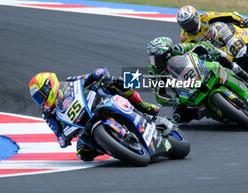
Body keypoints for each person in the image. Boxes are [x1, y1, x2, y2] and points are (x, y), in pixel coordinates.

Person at [28, 67, 160, 161]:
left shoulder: (70, 81)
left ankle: (143, 106)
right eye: (37, 99)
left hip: (98, 103)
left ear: (48, 86)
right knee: (83, 154)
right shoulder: (47, 114)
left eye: (41, 96)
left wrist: (98, 76)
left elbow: (93, 75)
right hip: (83, 128)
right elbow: (59, 137)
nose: (42, 101)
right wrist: (64, 137)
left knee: (114, 82)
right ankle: (115, 147)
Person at [147, 36, 248, 124]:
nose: (154, 62)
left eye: (156, 58)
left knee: (220, 59)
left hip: (198, 73)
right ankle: (202, 113)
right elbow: (159, 95)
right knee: (178, 118)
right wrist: (172, 100)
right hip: (183, 90)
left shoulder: (179, 49)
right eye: (151, 58)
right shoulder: (153, 72)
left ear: (167, 54)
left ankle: (244, 76)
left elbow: (201, 45)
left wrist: (210, 50)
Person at [176, 5, 248, 56]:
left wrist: (243, 20)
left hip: (228, 35)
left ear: (196, 17)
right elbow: (192, 54)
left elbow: (229, 15)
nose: (189, 27)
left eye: (190, 23)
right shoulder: (185, 38)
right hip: (217, 51)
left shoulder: (206, 17)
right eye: (185, 25)